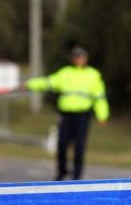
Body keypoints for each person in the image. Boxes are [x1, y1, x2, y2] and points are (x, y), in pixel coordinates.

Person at [26, 46, 109, 180]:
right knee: (62, 145)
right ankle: (62, 171)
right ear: (73, 59)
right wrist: (30, 84)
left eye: (81, 57)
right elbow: (48, 82)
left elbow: (99, 97)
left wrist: (102, 115)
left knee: (79, 147)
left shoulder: (93, 75)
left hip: (82, 115)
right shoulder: (65, 73)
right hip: (66, 115)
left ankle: (77, 175)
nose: (79, 60)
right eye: (77, 57)